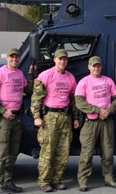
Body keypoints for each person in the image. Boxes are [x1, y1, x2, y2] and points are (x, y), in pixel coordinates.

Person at [30, 49, 79, 192]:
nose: (62, 62)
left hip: (65, 117)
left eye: (65, 59)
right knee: (48, 151)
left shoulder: (70, 78)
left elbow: (74, 100)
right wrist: (37, 117)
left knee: (63, 151)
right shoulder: (45, 75)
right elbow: (36, 98)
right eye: (60, 59)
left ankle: (57, 180)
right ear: (55, 60)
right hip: (50, 117)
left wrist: (76, 118)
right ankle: (44, 181)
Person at [0, 48, 34, 194]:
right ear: (7, 58)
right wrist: (3, 111)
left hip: (16, 118)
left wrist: (32, 75)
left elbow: (29, 90)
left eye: (16, 58)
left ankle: (7, 182)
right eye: (12, 57)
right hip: (3, 119)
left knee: (13, 153)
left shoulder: (19, 74)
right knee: (1, 153)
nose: (14, 60)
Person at [75, 56, 116, 192]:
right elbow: (79, 103)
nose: (96, 68)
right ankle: (83, 181)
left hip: (106, 121)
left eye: (98, 66)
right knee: (86, 153)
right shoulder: (84, 82)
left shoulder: (108, 81)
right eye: (93, 66)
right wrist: (97, 110)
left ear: (101, 67)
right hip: (91, 123)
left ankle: (108, 178)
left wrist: (108, 111)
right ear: (89, 67)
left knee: (108, 152)